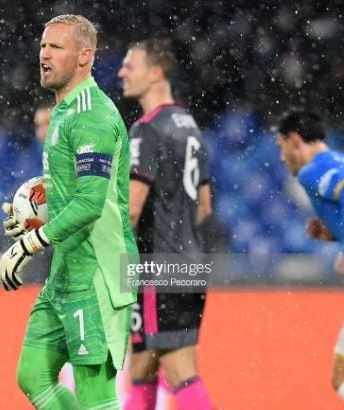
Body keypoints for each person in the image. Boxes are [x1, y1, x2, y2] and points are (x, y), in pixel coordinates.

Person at [0, 14, 137, 409]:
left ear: (84, 56)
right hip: (68, 267)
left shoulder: (93, 115)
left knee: (97, 396)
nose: (44, 54)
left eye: (56, 47)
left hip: (100, 271)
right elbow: (71, 190)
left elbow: (91, 203)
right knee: (33, 374)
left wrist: (30, 244)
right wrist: (33, 218)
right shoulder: (63, 111)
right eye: (43, 45)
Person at [118, 39, 214, 410]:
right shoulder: (191, 127)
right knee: (141, 367)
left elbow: (131, 210)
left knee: (180, 372)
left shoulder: (147, 128)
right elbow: (203, 207)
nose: (122, 71)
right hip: (189, 262)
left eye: (131, 65)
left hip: (156, 267)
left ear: (156, 73)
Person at [274, 110, 344, 410]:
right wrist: (333, 232)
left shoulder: (312, 170)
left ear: (295, 140)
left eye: (281, 147)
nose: (282, 156)